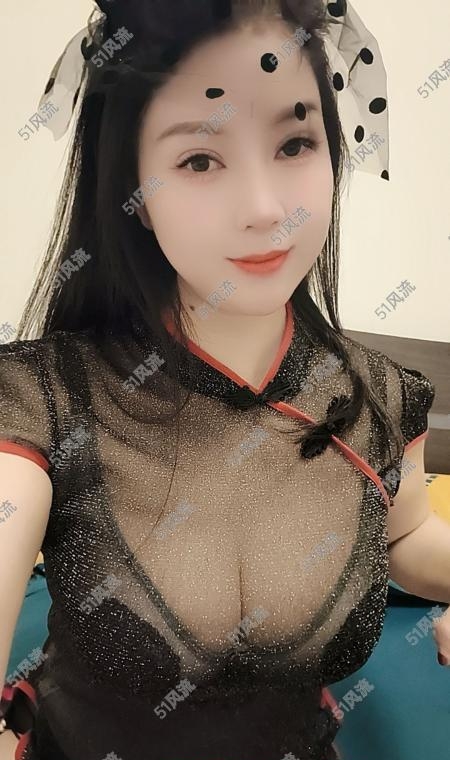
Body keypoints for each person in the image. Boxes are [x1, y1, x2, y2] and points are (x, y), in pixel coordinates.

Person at [1, 1, 449, 759]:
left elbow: (403, 532)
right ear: (135, 194)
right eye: (200, 160)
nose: (267, 210)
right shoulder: (41, 402)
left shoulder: (379, 396)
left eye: (295, 142)